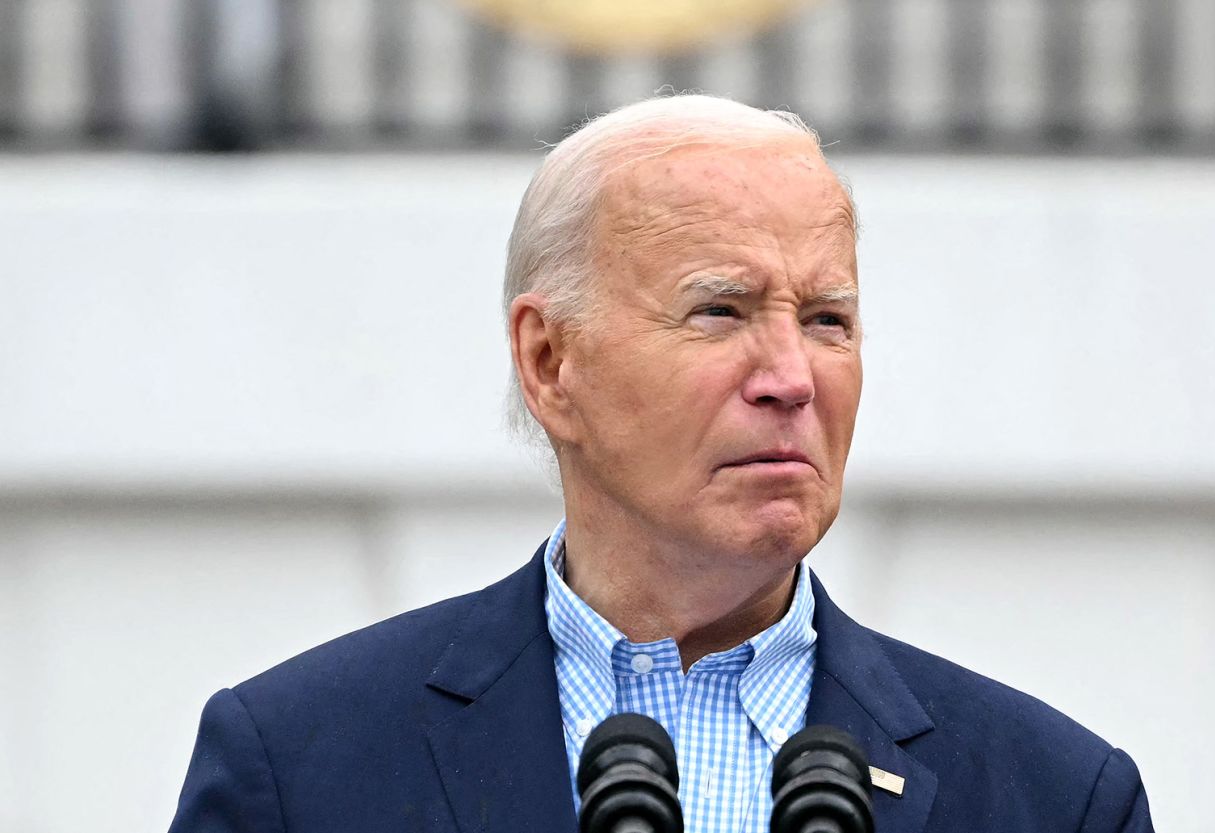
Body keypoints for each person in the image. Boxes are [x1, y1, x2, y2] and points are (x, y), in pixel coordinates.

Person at [168, 95, 1154, 833]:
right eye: (720, 311)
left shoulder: (1053, 796)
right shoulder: (298, 765)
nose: (789, 378)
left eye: (827, 321)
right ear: (551, 362)